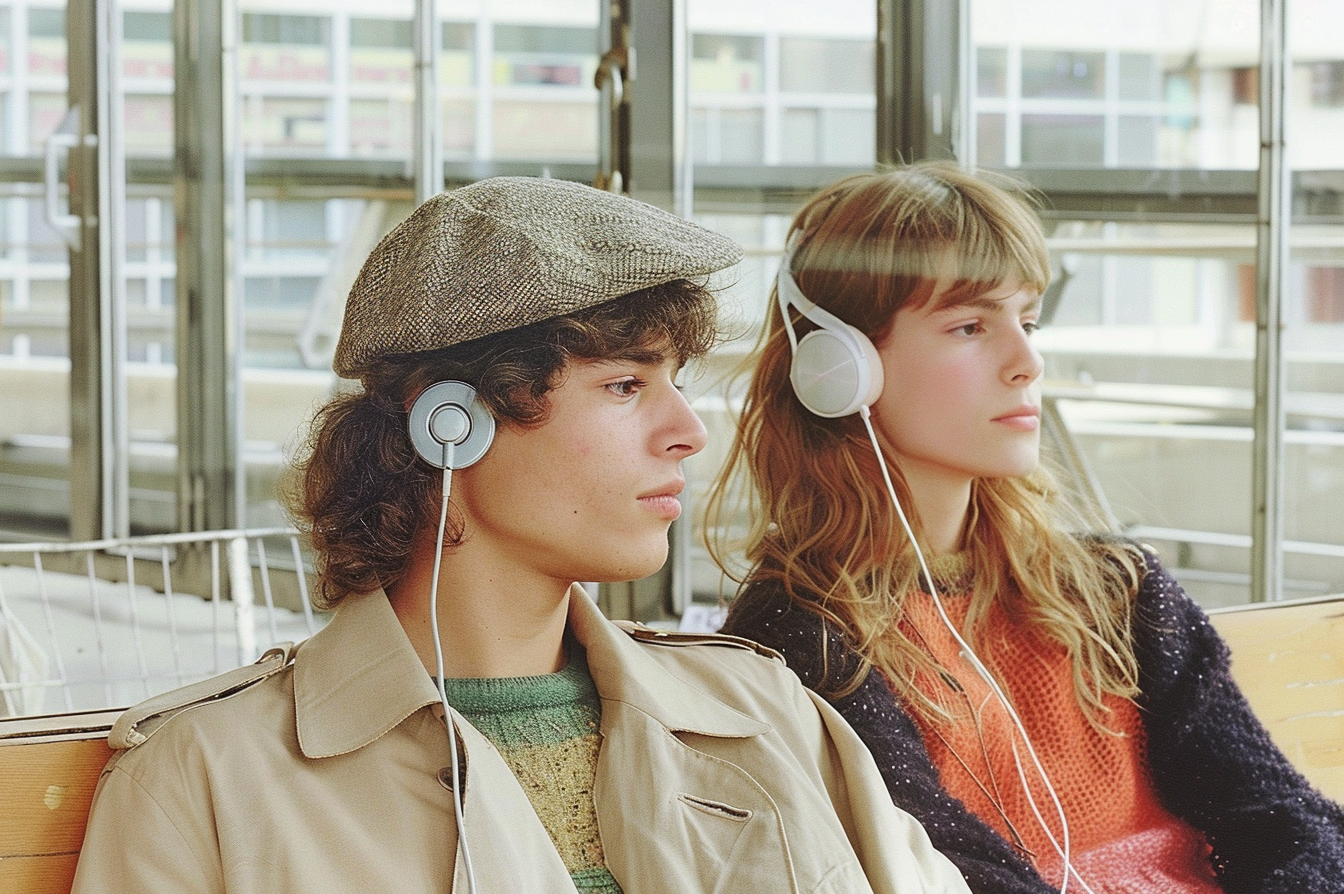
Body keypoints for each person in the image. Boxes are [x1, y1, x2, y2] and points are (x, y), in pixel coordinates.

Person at [70, 176, 973, 894]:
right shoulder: (209, 780)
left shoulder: (762, 711)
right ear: (450, 425)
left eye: (677, 382)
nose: (688, 432)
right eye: (626, 386)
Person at [709, 161, 1344, 894]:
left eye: (1029, 321)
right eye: (971, 325)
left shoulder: (1117, 590)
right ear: (840, 368)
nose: (1027, 362)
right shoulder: (803, 632)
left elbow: (1283, 818)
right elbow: (949, 876)